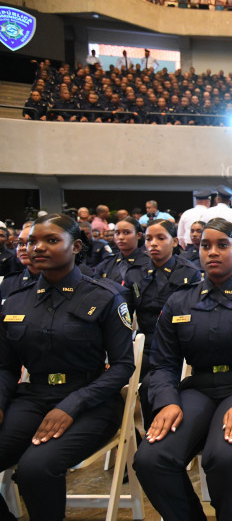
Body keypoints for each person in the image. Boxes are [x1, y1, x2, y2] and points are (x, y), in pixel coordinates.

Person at [133, 218, 232, 521]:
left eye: (222, 245)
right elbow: (163, 363)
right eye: (205, 246)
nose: (213, 252)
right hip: (199, 389)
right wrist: (167, 401)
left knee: (224, 457)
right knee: (151, 459)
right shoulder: (179, 301)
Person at [0, 214, 135, 521]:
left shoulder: (105, 296)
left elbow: (122, 366)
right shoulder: (16, 302)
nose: (37, 248)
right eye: (31, 242)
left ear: (75, 247)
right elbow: (6, 366)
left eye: (51, 240)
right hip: (34, 397)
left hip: (91, 400)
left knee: (36, 467)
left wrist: (72, 405)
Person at [122, 219, 202, 426]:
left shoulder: (188, 272)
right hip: (146, 345)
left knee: (151, 386)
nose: (153, 244)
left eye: (160, 238)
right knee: (113, 379)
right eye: (149, 239)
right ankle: (131, 435)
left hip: (176, 347)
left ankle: (155, 433)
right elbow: (126, 315)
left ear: (174, 242)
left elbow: (194, 316)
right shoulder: (135, 273)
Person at [95, 217, 150, 284]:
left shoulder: (149, 262)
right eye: (117, 233)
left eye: (126, 232)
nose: (120, 237)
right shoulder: (106, 264)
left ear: (138, 235)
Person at [0, 225, 39, 304]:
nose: (23, 248)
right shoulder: (9, 282)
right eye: (20, 243)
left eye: (30, 242)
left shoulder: (56, 280)